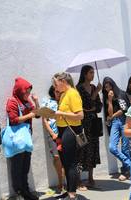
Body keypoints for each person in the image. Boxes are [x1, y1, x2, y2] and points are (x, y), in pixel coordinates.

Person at [6, 77, 39, 200]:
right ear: (20, 90)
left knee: (25, 166)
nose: (28, 94)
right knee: (17, 166)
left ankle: (26, 191)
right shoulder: (13, 101)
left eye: (29, 92)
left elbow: (38, 114)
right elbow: (13, 120)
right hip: (17, 139)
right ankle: (18, 192)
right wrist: (30, 114)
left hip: (26, 138)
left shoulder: (27, 101)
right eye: (26, 92)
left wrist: (36, 102)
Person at [53, 72, 84, 200]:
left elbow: (80, 115)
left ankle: (72, 194)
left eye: (56, 83)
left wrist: (61, 113)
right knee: (65, 162)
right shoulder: (64, 94)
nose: (55, 87)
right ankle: (69, 190)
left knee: (70, 163)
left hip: (70, 131)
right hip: (62, 130)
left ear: (63, 81)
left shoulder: (73, 93)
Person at [76, 65, 102, 189]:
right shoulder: (79, 89)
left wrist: (91, 106)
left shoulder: (92, 87)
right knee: (81, 150)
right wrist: (96, 93)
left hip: (93, 124)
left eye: (93, 72)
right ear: (85, 74)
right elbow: (85, 105)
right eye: (91, 72)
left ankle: (91, 178)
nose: (92, 75)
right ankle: (79, 180)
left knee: (93, 150)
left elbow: (99, 106)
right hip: (82, 124)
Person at [102, 77, 131, 181]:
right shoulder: (107, 98)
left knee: (124, 148)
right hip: (115, 123)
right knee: (112, 147)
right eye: (105, 87)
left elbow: (124, 110)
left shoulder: (121, 94)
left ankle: (126, 171)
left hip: (124, 121)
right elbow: (109, 114)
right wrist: (109, 101)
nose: (108, 88)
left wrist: (112, 116)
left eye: (109, 86)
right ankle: (129, 164)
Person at [41, 86, 64, 193]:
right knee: (56, 157)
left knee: (67, 158)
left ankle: (71, 182)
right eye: (57, 91)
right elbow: (44, 119)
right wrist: (52, 134)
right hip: (53, 134)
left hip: (64, 133)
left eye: (60, 91)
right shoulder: (47, 103)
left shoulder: (64, 102)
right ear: (53, 92)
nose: (59, 93)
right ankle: (61, 182)